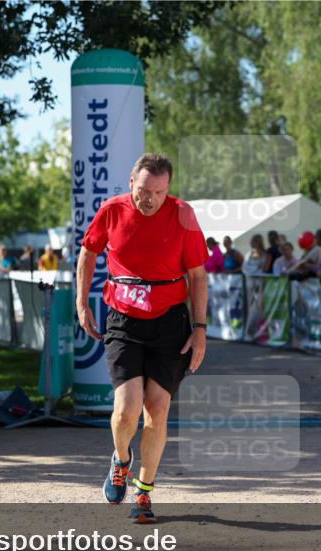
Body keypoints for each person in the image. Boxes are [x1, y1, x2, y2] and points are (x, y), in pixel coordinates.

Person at [76, 153, 208, 524]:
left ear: (169, 189)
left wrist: (200, 330)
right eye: (144, 190)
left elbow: (197, 276)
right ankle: (121, 460)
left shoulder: (183, 215)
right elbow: (88, 251)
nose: (149, 198)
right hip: (123, 318)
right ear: (130, 181)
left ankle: (144, 492)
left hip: (169, 323)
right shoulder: (112, 210)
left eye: (159, 192)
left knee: (157, 409)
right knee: (125, 409)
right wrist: (81, 302)